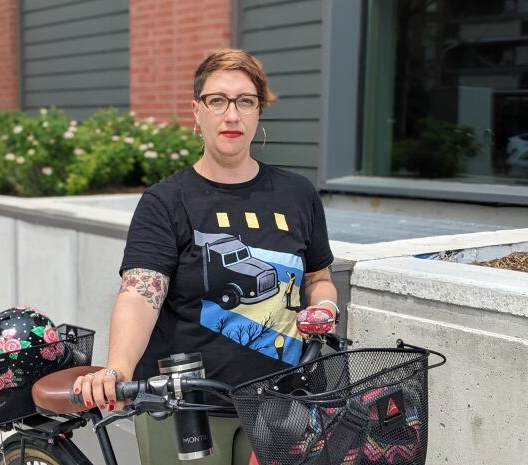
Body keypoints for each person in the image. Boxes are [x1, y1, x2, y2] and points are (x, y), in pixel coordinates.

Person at [72, 48, 338, 465]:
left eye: (245, 101)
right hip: (186, 407)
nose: (231, 115)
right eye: (217, 101)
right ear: (196, 112)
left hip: (282, 403)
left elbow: (317, 276)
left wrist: (324, 305)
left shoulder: (297, 193)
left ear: (258, 111)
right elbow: (142, 292)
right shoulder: (166, 201)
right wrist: (118, 368)